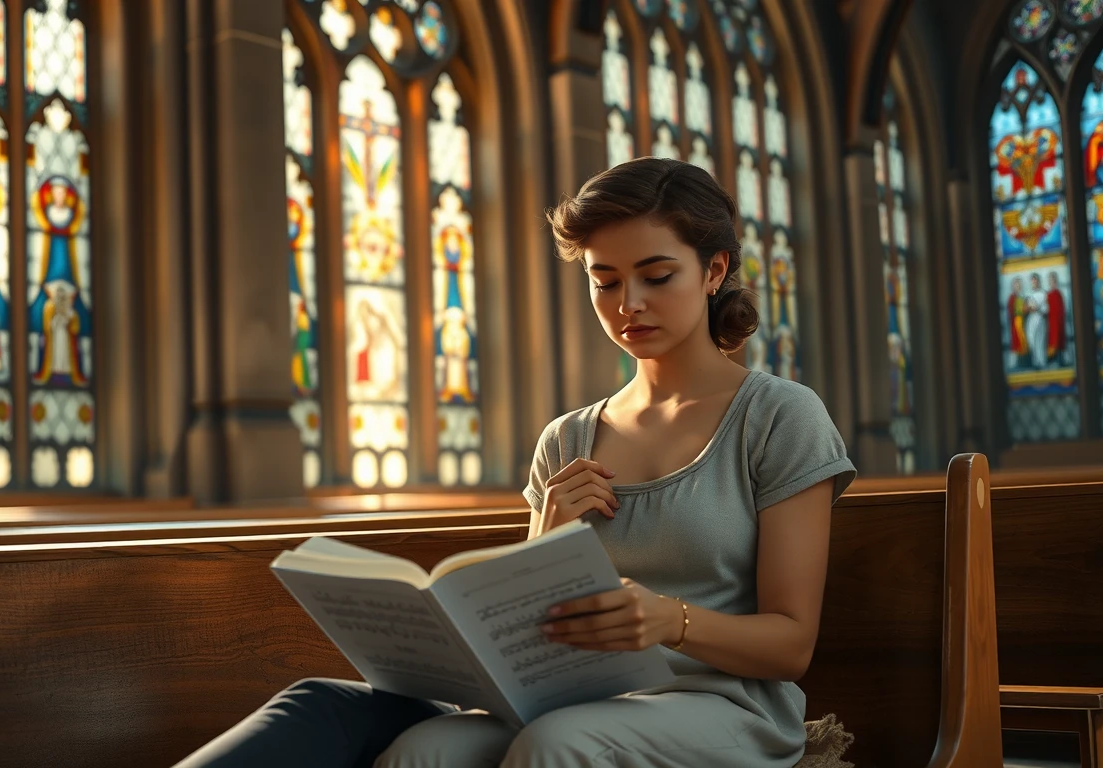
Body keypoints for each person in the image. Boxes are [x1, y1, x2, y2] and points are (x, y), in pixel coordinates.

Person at [175, 157, 856, 768]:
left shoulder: (778, 418)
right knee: (424, 749)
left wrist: (670, 620)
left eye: (656, 275)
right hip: (584, 700)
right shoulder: (566, 439)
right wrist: (549, 538)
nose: (628, 304)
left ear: (713, 271)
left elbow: (791, 645)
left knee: (556, 746)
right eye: (605, 279)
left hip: (730, 710)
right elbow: (532, 636)